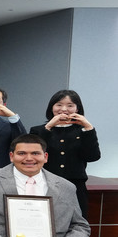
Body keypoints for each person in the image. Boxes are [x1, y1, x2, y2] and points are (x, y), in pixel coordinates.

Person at [29, 90, 100, 218]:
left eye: (70, 105)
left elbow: (92, 156)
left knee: (76, 222)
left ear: (77, 109)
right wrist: (49, 126)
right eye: (59, 105)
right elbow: (32, 155)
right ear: (52, 107)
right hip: (44, 184)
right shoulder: (39, 130)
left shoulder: (83, 131)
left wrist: (88, 128)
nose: (64, 109)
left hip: (75, 187)